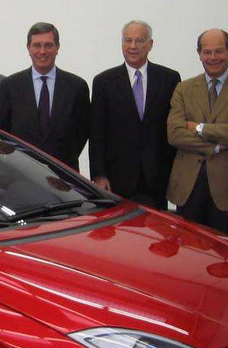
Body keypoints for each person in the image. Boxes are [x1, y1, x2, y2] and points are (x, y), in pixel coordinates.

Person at [167, 29, 228, 238]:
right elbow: (174, 134)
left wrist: (198, 128)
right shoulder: (184, 88)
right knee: (188, 251)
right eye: (207, 52)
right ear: (199, 54)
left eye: (219, 51)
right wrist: (217, 145)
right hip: (188, 188)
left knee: (226, 253)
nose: (212, 57)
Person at [89, 20, 181, 209]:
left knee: (156, 227)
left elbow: (173, 127)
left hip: (157, 177)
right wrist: (99, 175)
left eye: (139, 41)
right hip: (116, 179)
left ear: (150, 44)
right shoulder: (103, 82)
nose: (132, 46)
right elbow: (97, 133)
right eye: (127, 40)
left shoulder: (169, 79)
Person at [0, 22, 90, 170]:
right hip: (21, 171)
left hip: (65, 172)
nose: (42, 51)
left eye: (48, 45)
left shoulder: (77, 86)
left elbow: (83, 130)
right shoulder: (10, 86)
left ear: (57, 48)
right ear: (28, 48)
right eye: (37, 45)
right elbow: (0, 130)